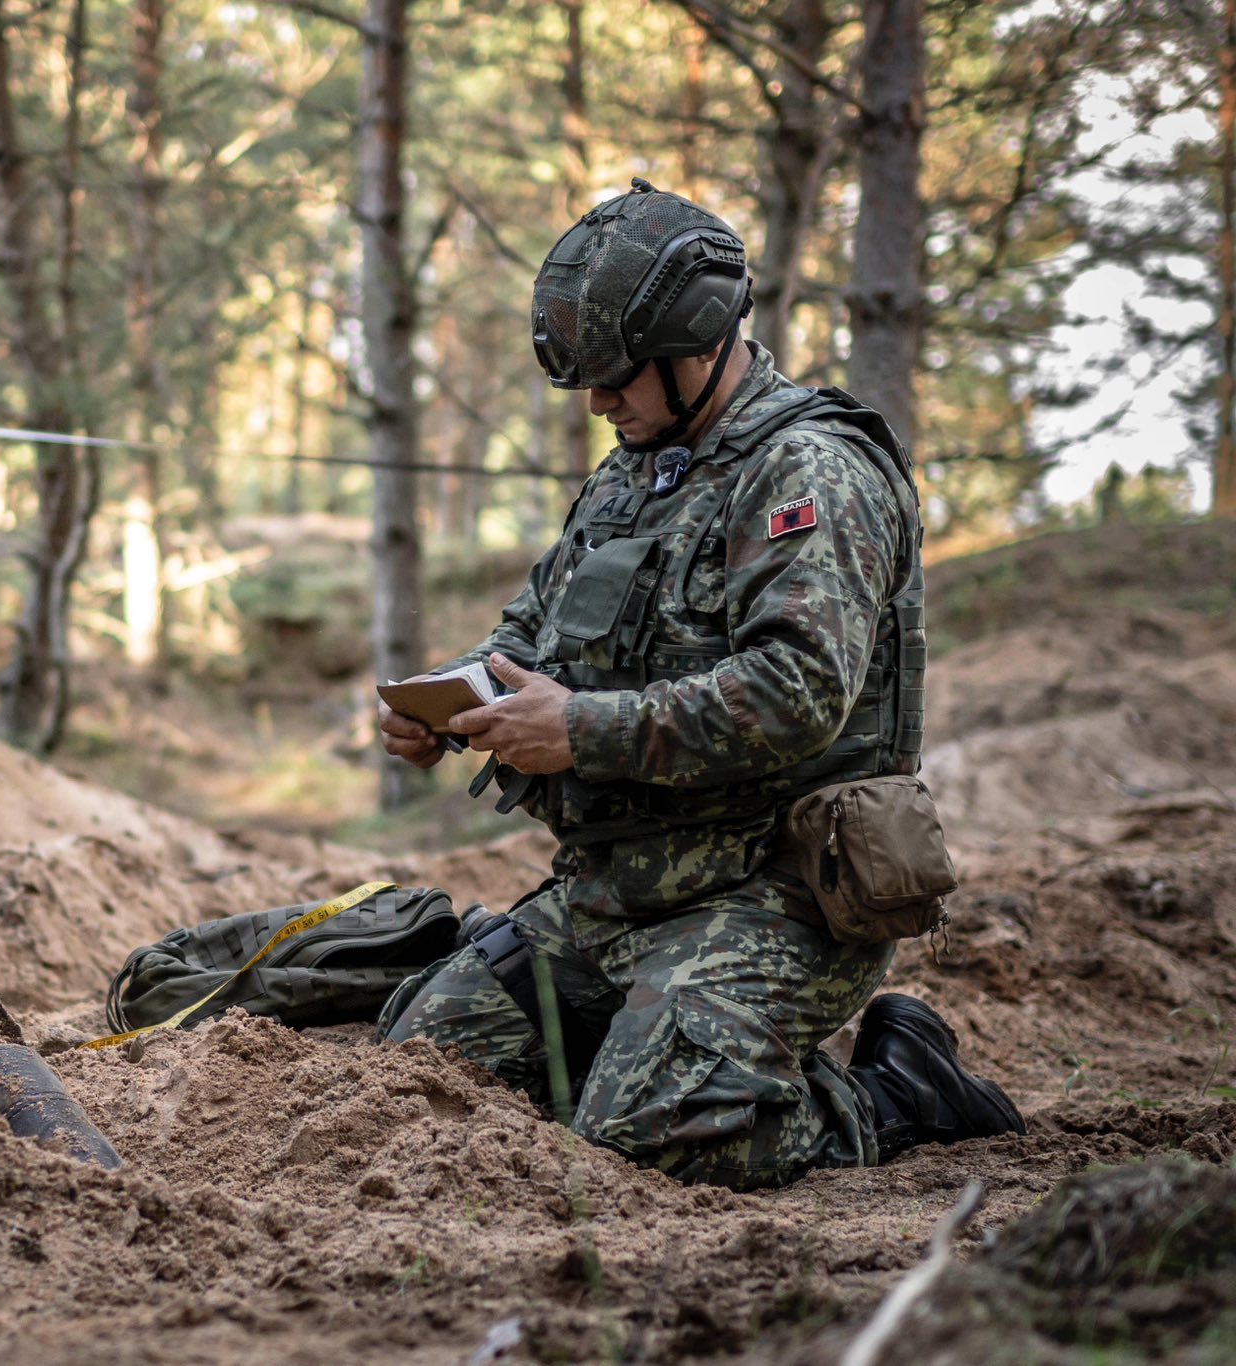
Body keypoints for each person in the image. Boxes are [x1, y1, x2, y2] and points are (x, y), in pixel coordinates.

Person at [373, 179, 1023, 1190]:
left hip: (772, 896)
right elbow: (526, 637)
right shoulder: (630, 470)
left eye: (616, 376)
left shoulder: (807, 471)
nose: (596, 401)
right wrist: (452, 708)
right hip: (613, 897)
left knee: (657, 1134)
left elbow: (798, 690)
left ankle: (895, 1090)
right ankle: (656, 1049)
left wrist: (583, 730)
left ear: (698, 341)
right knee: (415, 1071)